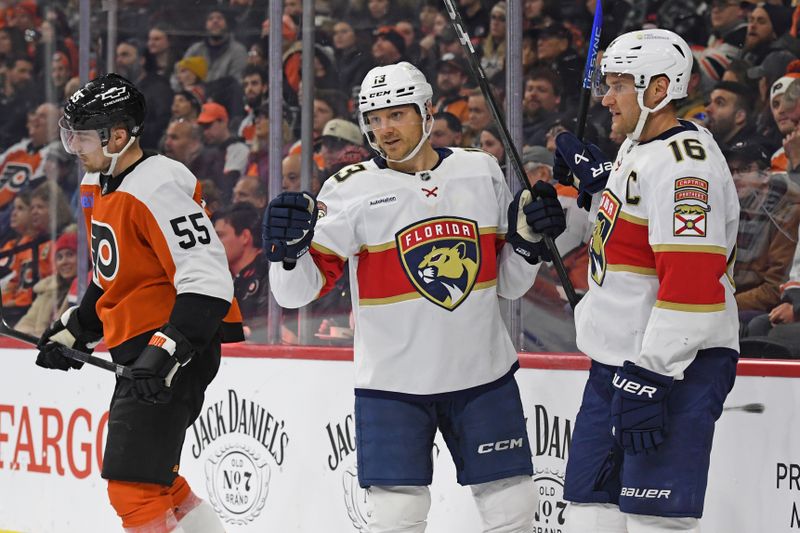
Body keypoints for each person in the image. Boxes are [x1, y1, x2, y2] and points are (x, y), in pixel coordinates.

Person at [263, 61, 566, 533]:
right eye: (374, 118)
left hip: (482, 375)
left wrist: (528, 244)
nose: (383, 129)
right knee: (397, 519)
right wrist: (286, 253)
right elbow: (295, 291)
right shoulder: (349, 189)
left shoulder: (478, 171)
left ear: (427, 111)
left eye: (396, 114)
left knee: (514, 508)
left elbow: (508, 285)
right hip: (392, 386)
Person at [34, 73, 243, 533]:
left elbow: (208, 281)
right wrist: (78, 329)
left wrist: (169, 347)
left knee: (131, 486)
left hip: (177, 344)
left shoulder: (157, 186)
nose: (74, 145)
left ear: (120, 135)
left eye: (82, 135)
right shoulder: (97, 183)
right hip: (142, 347)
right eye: (70, 134)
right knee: (157, 479)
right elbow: (114, 275)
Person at [553, 29, 740, 533]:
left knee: (655, 525)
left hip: (673, 370)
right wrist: (579, 199)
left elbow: (692, 286)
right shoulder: (638, 149)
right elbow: (627, 238)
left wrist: (652, 375)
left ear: (658, 90)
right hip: (615, 364)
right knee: (589, 518)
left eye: (617, 85)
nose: (605, 98)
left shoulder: (686, 170)